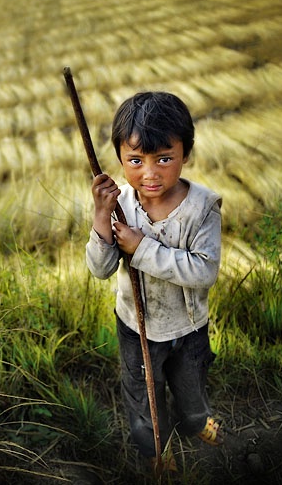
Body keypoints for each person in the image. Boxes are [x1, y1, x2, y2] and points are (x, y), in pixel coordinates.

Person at [85, 91, 224, 472]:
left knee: (191, 385)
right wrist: (102, 217)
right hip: (136, 328)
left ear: (185, 153)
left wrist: (142, 248)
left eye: (164, 159)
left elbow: (203, 271)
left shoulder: (202, 209)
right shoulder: (120, 205)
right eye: (135, 161)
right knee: (142, 396)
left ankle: (194, 422)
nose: (150, 173)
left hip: (188, 328)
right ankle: (155, 449)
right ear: (119, 159)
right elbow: (100, 268)